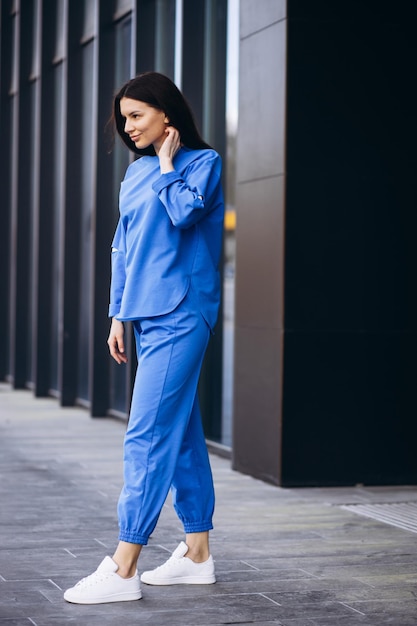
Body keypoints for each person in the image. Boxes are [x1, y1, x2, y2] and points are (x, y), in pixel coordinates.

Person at [64, 72, 224, 605]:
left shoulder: (201, 164)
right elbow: (123, 247)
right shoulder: (133, 175)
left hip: (182, 312)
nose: (127, 126)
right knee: (178, 433)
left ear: (165, 113)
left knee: (148, 433)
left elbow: (184, 213)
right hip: (145, 315)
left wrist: (168, 166)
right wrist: (117, 314)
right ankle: (197, 554)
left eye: (136, 115)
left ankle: (124, 563)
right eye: (124, 117)